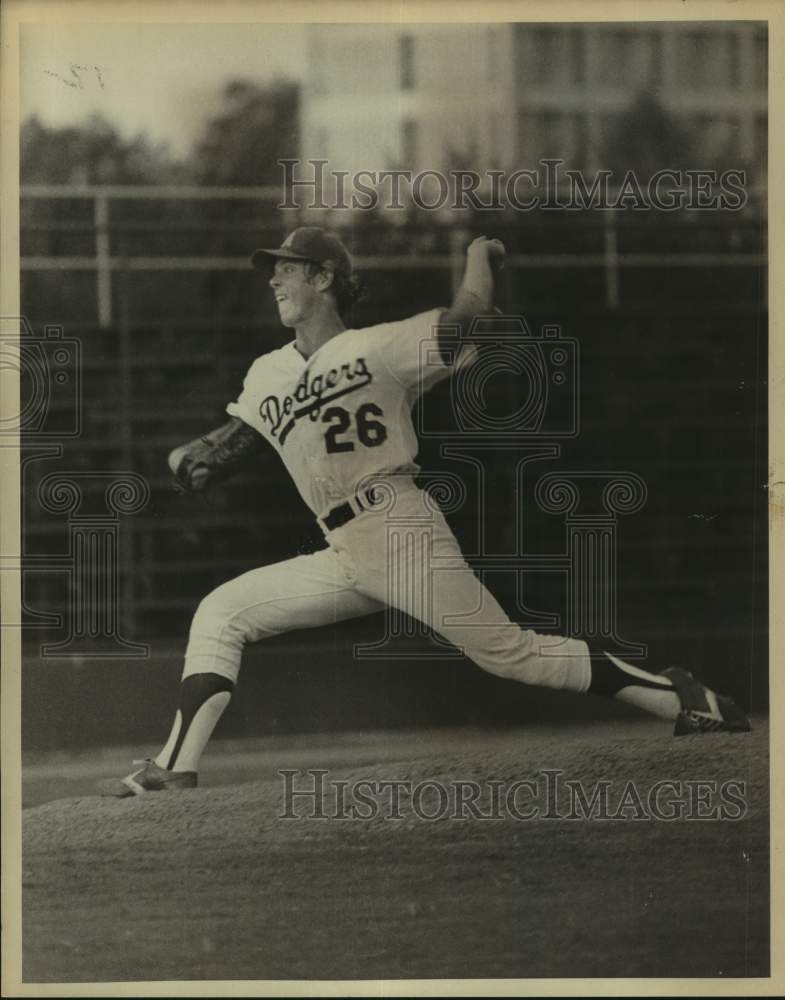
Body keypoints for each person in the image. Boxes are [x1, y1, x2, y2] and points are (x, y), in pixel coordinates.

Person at [102, 226, 750, 797]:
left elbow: (468, 318)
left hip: (398, 525)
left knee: (509, 654)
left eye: (288, 267)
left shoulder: (378, 348)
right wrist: (193, 457)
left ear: (324, 279)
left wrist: (475, 255)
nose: (273, 277)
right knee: (221, 612)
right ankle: (173, 768)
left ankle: (683, 697)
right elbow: (230, 444)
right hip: (344, 549)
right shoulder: (265, 371)